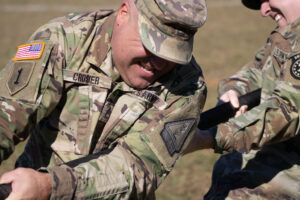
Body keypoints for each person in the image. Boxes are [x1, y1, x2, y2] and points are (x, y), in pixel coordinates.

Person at [0, 0, 208, 199]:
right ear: (124, 14)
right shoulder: (63, 39)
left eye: (172, 54)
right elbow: (6, 113)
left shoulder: (187, 86)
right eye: (152, 45)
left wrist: (49, 186)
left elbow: (137, 168)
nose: (158, 63)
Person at [191, 0, 300, 199]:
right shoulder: (287, 34)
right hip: (253, 170)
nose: (263, 10)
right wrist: (233, 90)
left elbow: (289, 110)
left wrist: (212, 136)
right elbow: (256, 70)